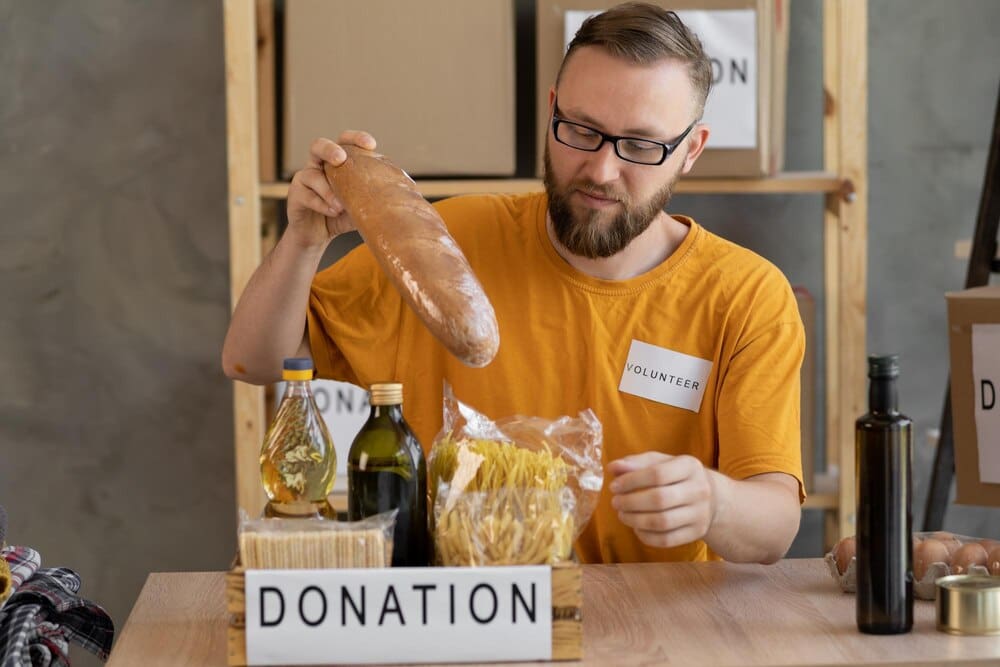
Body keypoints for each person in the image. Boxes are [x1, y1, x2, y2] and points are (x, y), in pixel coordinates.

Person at [223, 2, 804, 565]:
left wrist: (714, 502)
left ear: (691, 151)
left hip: (653, 625)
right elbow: (253, 359)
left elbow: (774, 528)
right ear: (551, 109)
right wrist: (304, 240)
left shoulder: (745, 295)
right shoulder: (447, 243)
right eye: (581, 130)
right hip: (463, 616)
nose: (602, 171)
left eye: (641, 146)